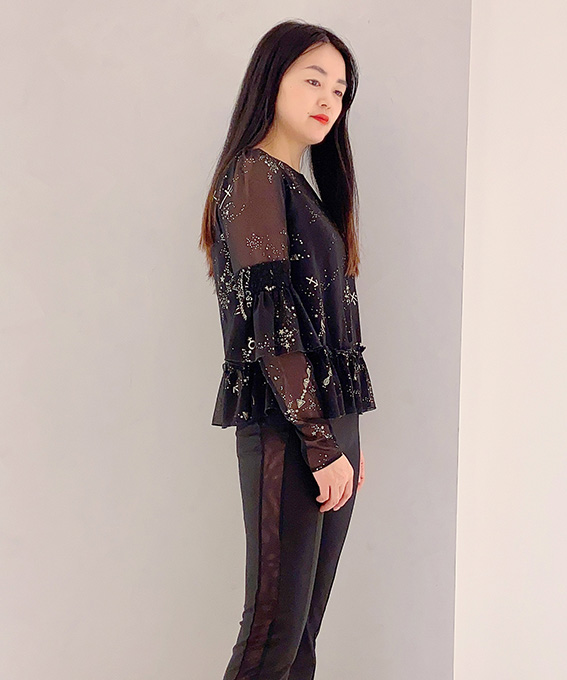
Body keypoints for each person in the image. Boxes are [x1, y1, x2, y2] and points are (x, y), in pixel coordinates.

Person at [199, 20, 377, 680]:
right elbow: (271, 324)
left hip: (324, 426)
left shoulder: (302, 188)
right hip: (290, 428)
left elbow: (325, 325)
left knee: (299, 639)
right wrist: (321, 441)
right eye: (313, 80)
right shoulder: (253, 176)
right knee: (273, 634)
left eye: (340, 89)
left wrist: (345, 434)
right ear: (271, 81)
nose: (329, 98)